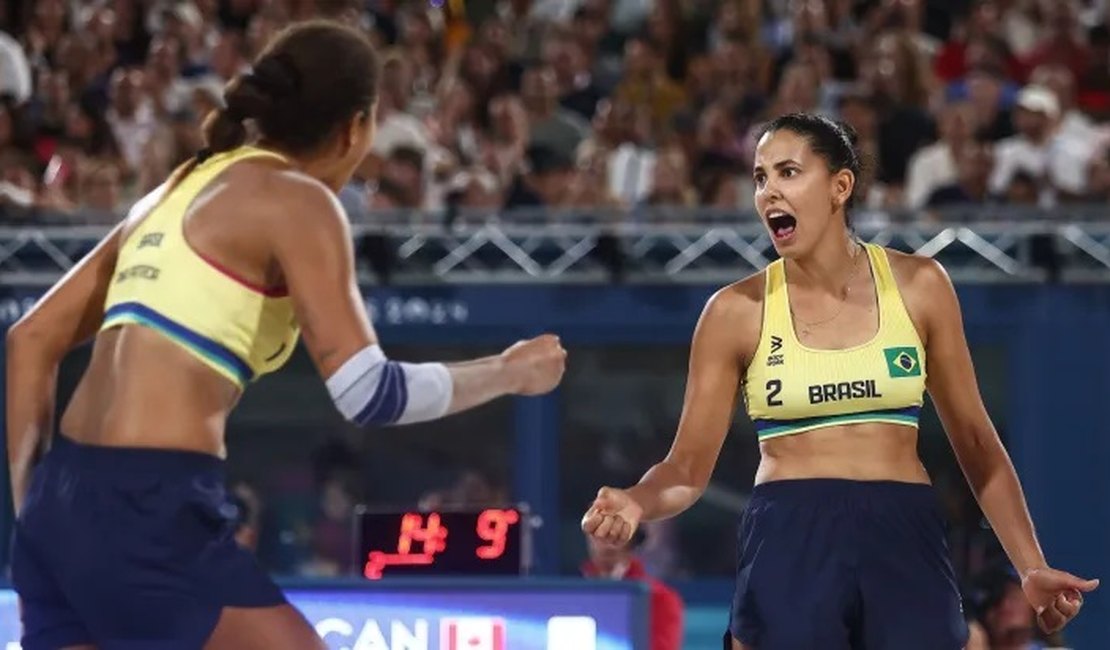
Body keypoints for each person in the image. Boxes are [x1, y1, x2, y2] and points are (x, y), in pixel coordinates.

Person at [7, 20, 566, 650]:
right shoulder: (298, 201)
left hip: (59, 506)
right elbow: (370, 394)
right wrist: (511, 372)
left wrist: (39, 514)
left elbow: (30, 339)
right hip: (151, 505)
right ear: (356, 127)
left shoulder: (178, 187)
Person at [580, 112, 1097, 650]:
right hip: (790, 535)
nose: (768, 192)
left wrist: (1030, 565)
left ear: (840, 186)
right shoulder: (733, 311)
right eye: (760, 178)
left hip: (903, 534)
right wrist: (637, 499)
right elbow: (686, 469)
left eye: (787, 172)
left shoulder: (920, 286)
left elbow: (976, 443)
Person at [581, 529, 684, 650]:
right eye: (597, 531)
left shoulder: (659, 598)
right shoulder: (572, 596)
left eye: (615, 529)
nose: (607, 540)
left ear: (632, 535)